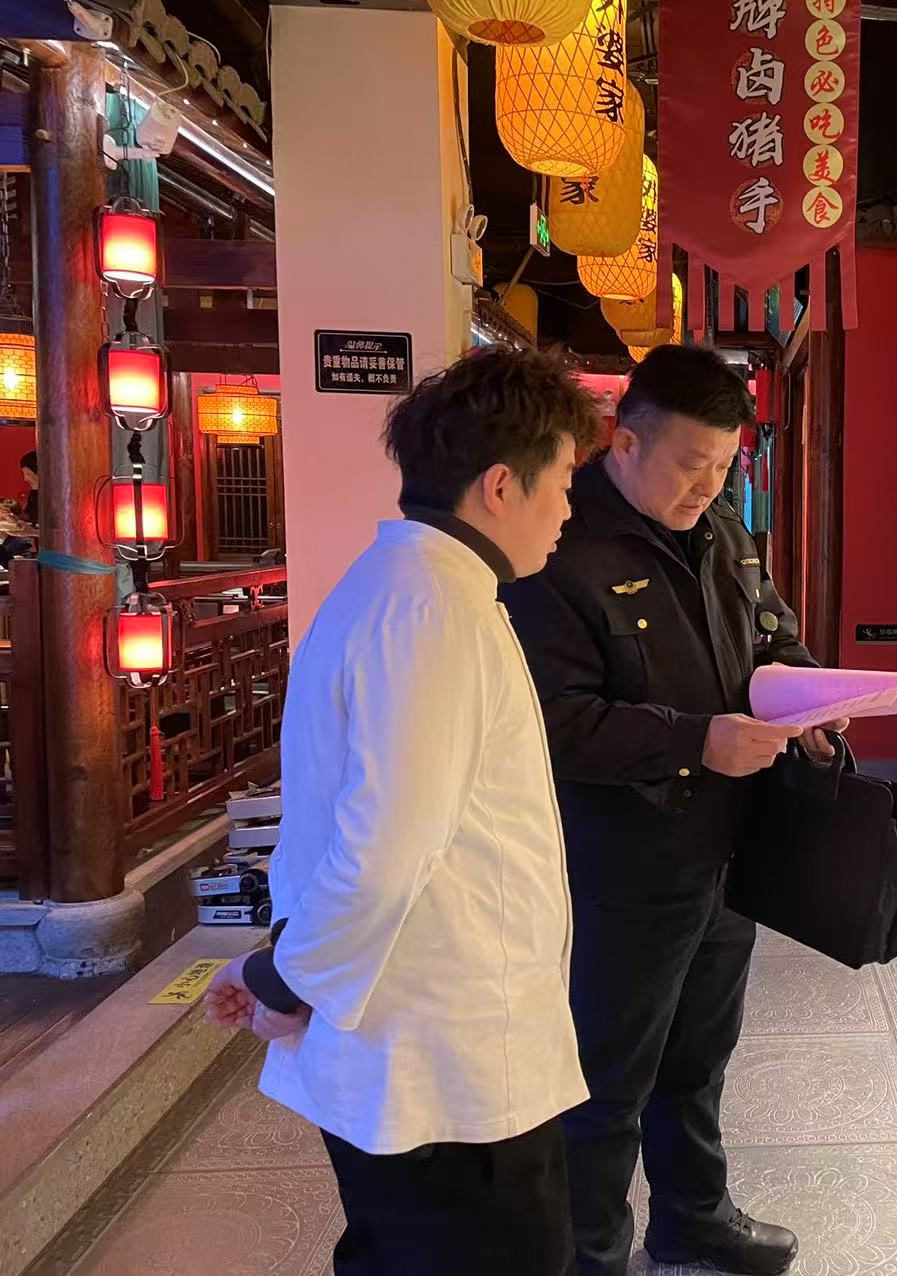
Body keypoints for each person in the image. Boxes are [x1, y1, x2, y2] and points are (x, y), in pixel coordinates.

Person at [204, 347, 604, 1276]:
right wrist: (283, 977)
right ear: (500, 485)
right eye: (563, 483)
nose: (568, 510)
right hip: (445, 1059)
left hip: (414, 1041)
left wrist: (287, 971)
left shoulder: (406, 588)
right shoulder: (433, 611)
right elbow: (384, 850)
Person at [502, 345, 841, 1276]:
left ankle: (694, 1218)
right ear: (625, 441)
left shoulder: (721, 528)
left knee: (699, 1058)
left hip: (727, 849)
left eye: (724, 465)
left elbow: (773, 635)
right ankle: (590, 1257)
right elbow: (553, 723)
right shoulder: (558, 545)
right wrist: (696, 741)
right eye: (691, 464)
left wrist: (813, 698)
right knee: (607, 1081)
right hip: (622, 866)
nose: (709, 485)